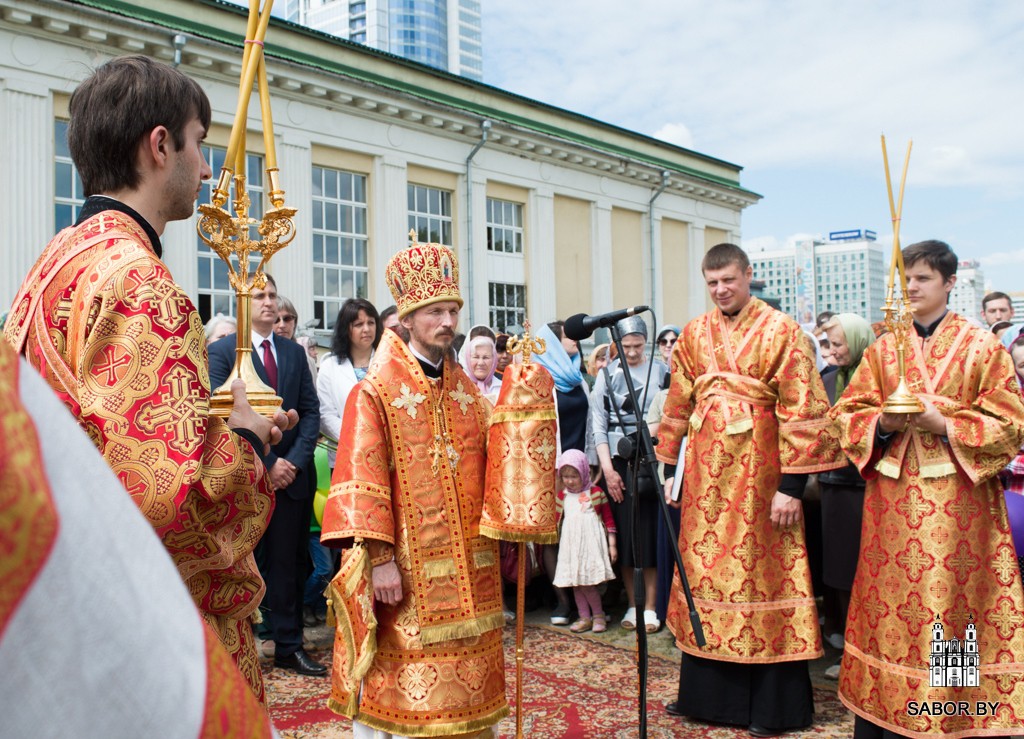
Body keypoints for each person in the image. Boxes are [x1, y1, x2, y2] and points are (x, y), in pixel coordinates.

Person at [3, 54, 294, 701]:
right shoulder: (140, 284)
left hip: (62, 606)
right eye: (200, 144)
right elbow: (167, 502)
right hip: (144, 636)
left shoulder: (54, 262)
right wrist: (248, 439)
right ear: (160, 146)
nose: (208, 169)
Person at [0, 340, 275, 737]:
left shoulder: (30, 304)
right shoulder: (143, 299)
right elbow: (168, 498)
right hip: (162, 611)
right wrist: (247, 440)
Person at [830, 240, 1024, 738]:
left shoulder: (982, 346)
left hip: (960, 510)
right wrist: (884, 423)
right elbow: (845, 414)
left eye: (922, 278)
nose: (911, 288)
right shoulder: (883, 348)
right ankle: (889, 712)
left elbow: (1010, 424)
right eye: (906, 279)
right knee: (892, 611)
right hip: (893, 510)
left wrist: (947, 424)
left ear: (949, 283)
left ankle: (952, 714)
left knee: (952, 608)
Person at [321, 239, 507, 737]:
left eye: (453, 311)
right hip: (403, 573)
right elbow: (361, 481)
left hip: (472, 569)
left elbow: (496, 466)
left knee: (471, 695)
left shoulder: (468, 394)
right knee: (404, 695)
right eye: (435, 312)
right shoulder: (375, 392)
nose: (448, 322)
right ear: (406, 319)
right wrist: (380, 559)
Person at [656, 243, 843, 736]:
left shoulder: (782, 330)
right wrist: (670, 467)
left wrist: (792, 487)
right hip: (705, 482)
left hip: (761, 480)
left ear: (748, 275)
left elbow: (803, 407)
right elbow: (678, 402)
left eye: (728, 281)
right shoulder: (694, 332)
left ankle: (772, 708)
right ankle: (705, 698)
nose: (720, 290)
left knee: (764, 576)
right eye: (712, 283)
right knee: (705, 577)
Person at [209, 274, 323, 677]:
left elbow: (309, 412)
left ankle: (290, 646)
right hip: (245, 478)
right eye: (260, 295)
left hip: (291, 479)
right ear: (242, 301)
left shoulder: (292, 353)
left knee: (290, 566)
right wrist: (268, 462)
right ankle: (239, 650)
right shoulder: (222, 352)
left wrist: (292, 461)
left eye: (272, 295)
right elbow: (222, 413)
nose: (269, 302)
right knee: (241, 566)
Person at [591, 315, 669, 633]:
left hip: (652, 462)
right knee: (625, 536)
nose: (633, 352)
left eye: (638, 345)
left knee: (649, 535)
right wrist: (608, 471)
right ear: (617, 345)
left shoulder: (661, 372)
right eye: (627, 346)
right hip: (618, 463)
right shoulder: (606, 376)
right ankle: (633, 604)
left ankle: (651, 606)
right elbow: (598, 425)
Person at [817, 313, 875, 680]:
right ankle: (850, 654)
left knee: (867, 574)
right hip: (833, 486)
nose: (834, 351)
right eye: (829, 344)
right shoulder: (826, 380)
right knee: (840, 574)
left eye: (839, 344)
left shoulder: (878, 376)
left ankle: (870, 653)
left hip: (869, 488)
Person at [535, 320, 598, 626]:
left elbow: (591, 422)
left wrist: (592, 461)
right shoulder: (540, 378)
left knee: (582, 531)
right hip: (551, 470)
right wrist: (552, 468)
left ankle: (588, 599)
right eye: (569, 337)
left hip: (580, 468)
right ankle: (562, 600)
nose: (576, 341)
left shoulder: (577, 378)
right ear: (554, 344)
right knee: (553, 535)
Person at [552, 449, 617, 634]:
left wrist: (612, 545)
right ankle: (584, 617)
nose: (569, 481)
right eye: (565, 477)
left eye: (574, 476)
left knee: (588, 584)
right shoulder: (563, 496)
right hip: (572, 547)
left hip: (590, 546)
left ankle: (598, 615)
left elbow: (609, 521)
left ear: (584, 472)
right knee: (576, 584)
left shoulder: (596, 493)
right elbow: (556, 521)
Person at [317, 298, 382, 470]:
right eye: (359, 324)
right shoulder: (329, 367)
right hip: (345, 455)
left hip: (383, 455)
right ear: (346, 329)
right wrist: (358, 439)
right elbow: (326, 415)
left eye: (371, 323)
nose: (366, 329)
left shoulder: (387, 362)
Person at [275, 295, 319, 381]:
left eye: (287, 318)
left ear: (295, 322)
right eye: (276, 319)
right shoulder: (253, 356)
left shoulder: (307, 361)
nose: (282, 325)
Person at [461, 332, 501, 403]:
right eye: (476, 357)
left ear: (494, 360)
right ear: (467, 359)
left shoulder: (503, 387)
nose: (481, 363)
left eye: (486, 357)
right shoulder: (459, 386)